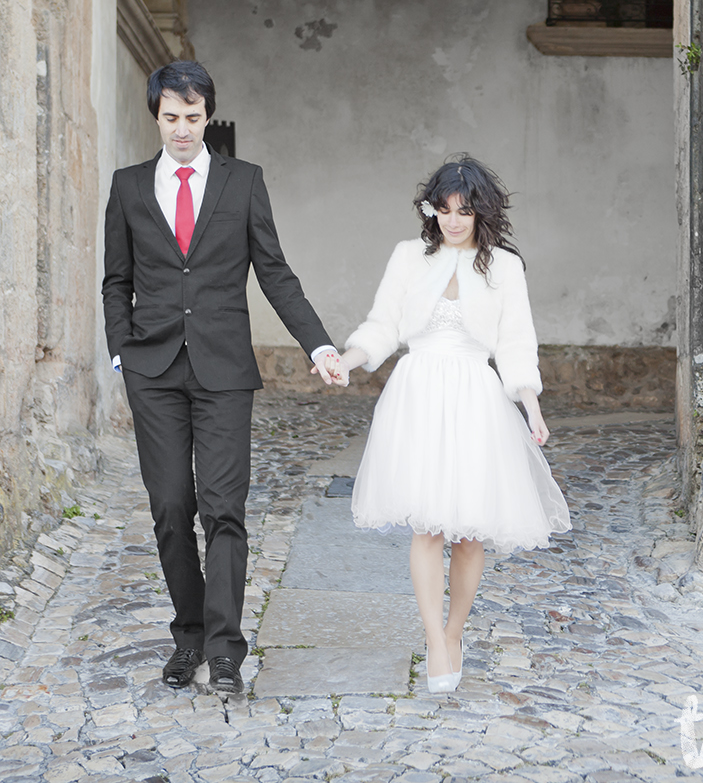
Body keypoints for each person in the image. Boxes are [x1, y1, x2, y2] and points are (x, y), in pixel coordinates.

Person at [102, 60, 346, 695]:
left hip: (224, 371)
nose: (182, 130)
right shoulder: (128, 187)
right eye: (170, 118)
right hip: (152, 369)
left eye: (193, 117)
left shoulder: (243, 182)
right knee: (170, 507)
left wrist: (317, 344)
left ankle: (225, 647)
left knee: (223, 508)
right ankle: (188, 634)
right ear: (155, 116)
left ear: (207, 116)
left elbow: (274, 270)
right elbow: (116, 281)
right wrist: (121, 354)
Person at [338, 155, 570, 693]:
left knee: (468, 533)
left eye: (464, 211)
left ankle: (456, 631)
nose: (453, 221)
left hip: (474, 395)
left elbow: (516, 343)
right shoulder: (408, 257)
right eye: (444, 210)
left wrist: (531, 406)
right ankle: (434, 640)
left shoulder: (506, 268)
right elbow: (383, 324)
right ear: (432, 211)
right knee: (427, 525)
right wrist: (347, 360)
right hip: (417, 391)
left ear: (482, 212)